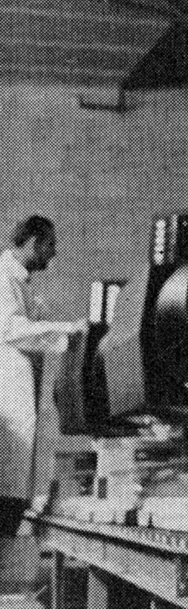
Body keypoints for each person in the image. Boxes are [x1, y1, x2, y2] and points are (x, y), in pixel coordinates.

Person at [0, 216, 82, 535]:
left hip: (16, 406)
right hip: (6, 403)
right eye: (51, 245)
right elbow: (9, 329)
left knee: (11, 503)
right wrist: (67, 331)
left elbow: (33, 318)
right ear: (34, 243)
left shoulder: (17, 282)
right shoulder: (3, 278)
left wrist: (72, 327)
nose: (54, 253)